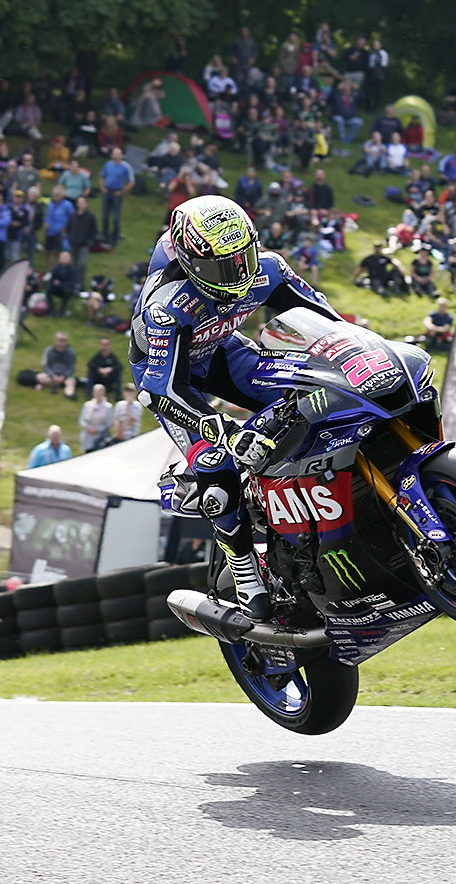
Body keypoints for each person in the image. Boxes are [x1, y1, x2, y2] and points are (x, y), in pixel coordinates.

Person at [129, 196, 342, 619]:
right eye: (224, 267)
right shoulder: (166, 305)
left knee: (316, 390)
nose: (239, 274)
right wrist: (223, 429)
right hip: (174, 378)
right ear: (192, 262)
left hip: (224, 351)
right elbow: (159, 389)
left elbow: (330, 322)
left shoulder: (269, 268)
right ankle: (243, 568)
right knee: (216, 466)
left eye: (242, 258)